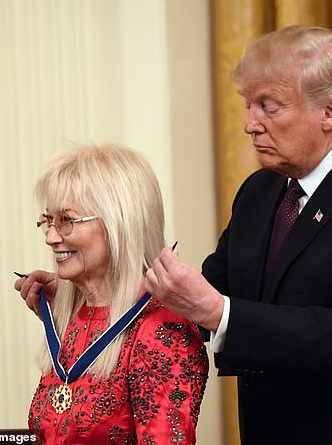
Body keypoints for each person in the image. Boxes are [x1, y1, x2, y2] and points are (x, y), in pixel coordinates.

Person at [18, 26, 332, 444]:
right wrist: (95, 293)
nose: (249, 123)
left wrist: (219, 313)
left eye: (268, 107)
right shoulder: (261, 191)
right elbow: (205, 292)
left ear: (330, 112)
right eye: (247, 105)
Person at [17, 144, 208, 445]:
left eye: (66, 220)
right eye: (48, 220)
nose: (52, 237)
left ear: (119, 223)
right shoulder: (72, 316)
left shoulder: (160, 327)